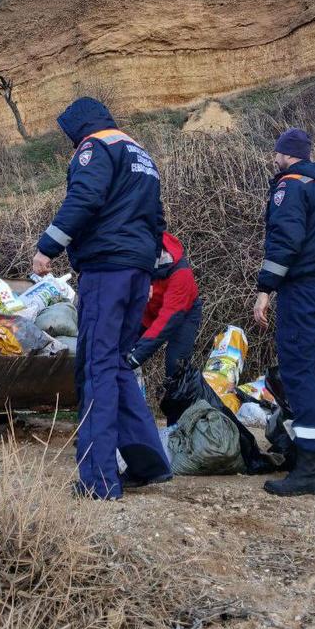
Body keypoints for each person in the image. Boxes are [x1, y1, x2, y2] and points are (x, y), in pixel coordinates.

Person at [33, 97, 171, 499]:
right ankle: (150, 463)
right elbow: (155, 219)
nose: (71, 147)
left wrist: (47, 248)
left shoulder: (96, 148)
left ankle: (99, 480)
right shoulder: (139, 152)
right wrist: (150, 273)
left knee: (96, 367)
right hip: (135, 272)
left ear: (79, 128)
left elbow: (84, 200)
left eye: (69, 139)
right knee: (117, 365)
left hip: (106, 270)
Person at [253, 127, 315, 497]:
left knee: (300, 370)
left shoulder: (290, 185)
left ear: (286, 154)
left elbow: (286, 240)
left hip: (303, 291)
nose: (274, 158)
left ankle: (310, 466)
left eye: (277, 152)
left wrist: (265, 290)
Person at [126, 231, 202, 391]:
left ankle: (180, 411)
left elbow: (167, 320)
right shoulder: (137, 245)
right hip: (147, 312)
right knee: (120, 344)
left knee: (176, 366)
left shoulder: (181, 275)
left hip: (182, 315)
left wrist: (136, 356)